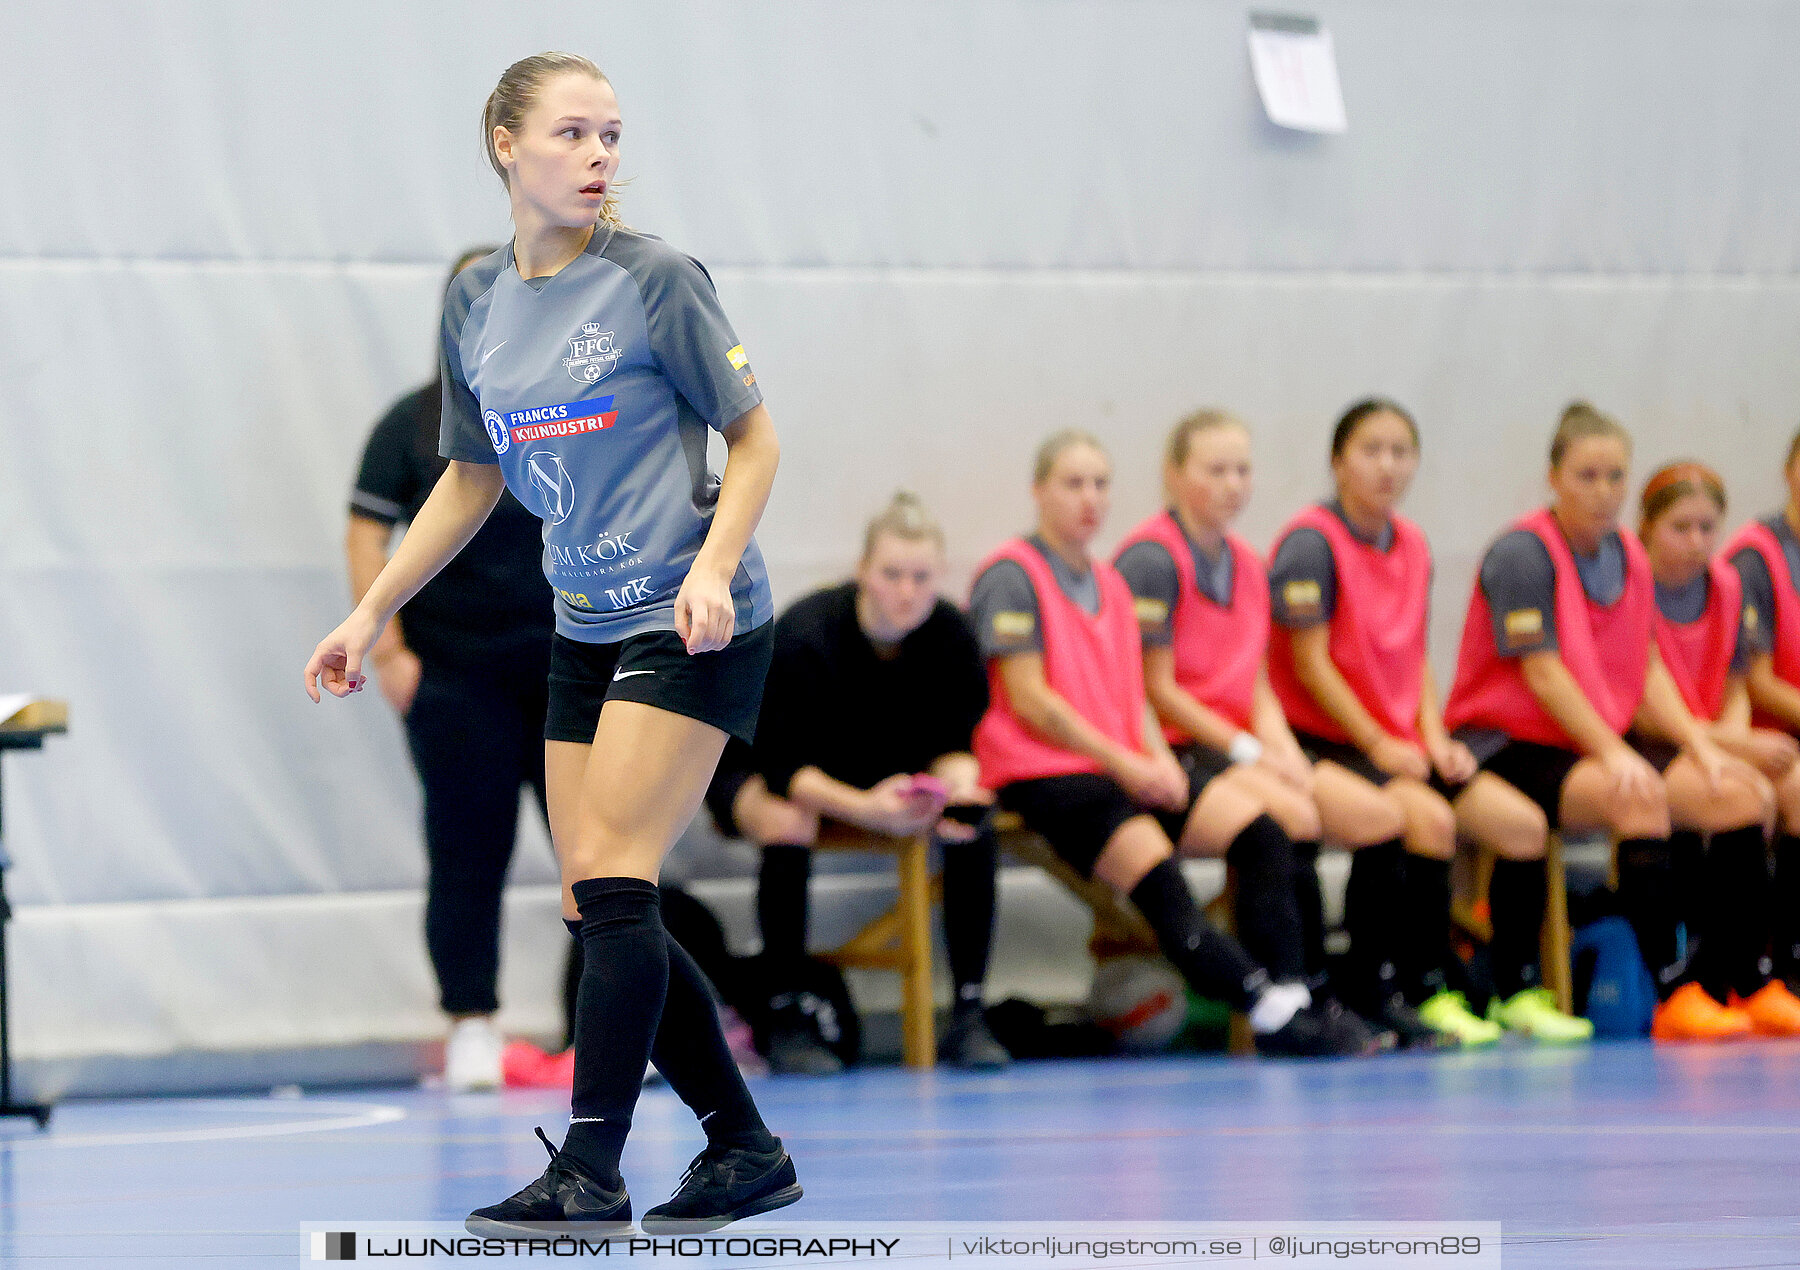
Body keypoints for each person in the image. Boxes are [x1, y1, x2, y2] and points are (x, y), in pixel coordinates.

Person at [305, 53, 798, 1236]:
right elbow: (469, 479)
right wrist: (371, 613)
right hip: (582, 624)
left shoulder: (657, 281)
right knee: (598, 897)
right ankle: (744, 1148)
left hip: (691, 616)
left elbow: (759, 440)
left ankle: (590, 1168)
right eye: (573, 134)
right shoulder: (477, 299)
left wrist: (718, 567)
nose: (597, 158)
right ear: (505, 144)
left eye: (611, 137)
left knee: (618, 878)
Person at [969, 429, 1372, 1058]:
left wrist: (1155, 756)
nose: (1090, 499)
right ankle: (1268, 1009)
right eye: (1073, 484)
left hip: (1125, 765)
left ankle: (1298, 994)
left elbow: (1136, 694)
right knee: (1163, 885)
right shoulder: (1010, 576)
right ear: (1038, 491)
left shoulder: (1110, 582)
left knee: (1265, 832)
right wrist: (1127, 762)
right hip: (1052, 774)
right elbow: (1032, 701)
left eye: (1100, 484)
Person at [1444, 403, 1768, 1041]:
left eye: (1615, 477)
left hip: (1585, 745)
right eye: (1587, 476)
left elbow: (1646, 668)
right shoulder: (1522, 553)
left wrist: (1700, 745)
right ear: (1554, 478)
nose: (1603, 492)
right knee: (1637, 800)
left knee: (1736, 796)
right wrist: (1614, 754)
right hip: (1506, 742)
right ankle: (1669, 993)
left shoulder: (1629, 555)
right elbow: (1543, 674)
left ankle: (1741, 980)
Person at [1115, 409, 1433, 1045]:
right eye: (1216, 470)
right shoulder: (1151, 559)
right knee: (1292, 819)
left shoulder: (1248, 562)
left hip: (1243, 745)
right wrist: (1244, 748)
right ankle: (1300, 992)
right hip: (1177, 746)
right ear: (1174, 475)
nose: (1234, 484)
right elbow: (1155, 687)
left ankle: (1367, 990)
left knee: (1379, 818)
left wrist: (1281, 748)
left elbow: (1254, 679)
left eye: (1243, 470)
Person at [706, 493, 1009, 1073]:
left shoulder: (951, 635)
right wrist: (871, 811)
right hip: (764, 762)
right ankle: (786, 1009)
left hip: (869, 770)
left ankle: (970, 1009)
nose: (905, 591)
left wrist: (950, 789)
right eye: (891, 574)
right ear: (862, 572)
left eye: (920, 577)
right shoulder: (806, 636)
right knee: (788, 823)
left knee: (972, 815)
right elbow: (789, 773)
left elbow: (956, 746)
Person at [348, 245, 555, 1091]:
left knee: (601, 851)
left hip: (561, 666)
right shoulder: (410, 423)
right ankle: (472, 1020)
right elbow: (366, 533)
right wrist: (389, 650)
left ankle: (623, 1027)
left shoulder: (564, 413)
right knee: (469, 850)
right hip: (456, 677)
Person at [1265, 400, 1532, 1045]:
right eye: (1371, 451)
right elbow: (1310, 665)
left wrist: (1435, 738)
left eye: (1401, 452)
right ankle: (1373, 984)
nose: (1388, 466)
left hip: (1392, 739)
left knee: (1517, 825)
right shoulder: (1309, 543)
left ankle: (1459, 984)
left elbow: (1414, 657)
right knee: (1419, 820)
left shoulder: (1412, 544)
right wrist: (1380, 743)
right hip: (1320, 737)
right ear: (1338, 460)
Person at [1639, 462, 1800, 1037]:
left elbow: (1735, 687)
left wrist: (1731, 742)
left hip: (1707, 737)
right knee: (1736, 797)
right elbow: (1642, 698)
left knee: (1770, 789)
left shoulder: (1726, 584)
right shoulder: (1634, 585)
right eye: (1680, 528)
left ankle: (1767, 974)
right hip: (1650, 741)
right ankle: (1694, 986)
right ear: (1649, 527)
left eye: (1708, 528)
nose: (1697, 542)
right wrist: (1725, 747)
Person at [1724, 426, 1800, 990]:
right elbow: (1757, 683)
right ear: (1789, 468)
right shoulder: (1756, 557)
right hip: (1762, 731)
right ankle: (1787, 960)